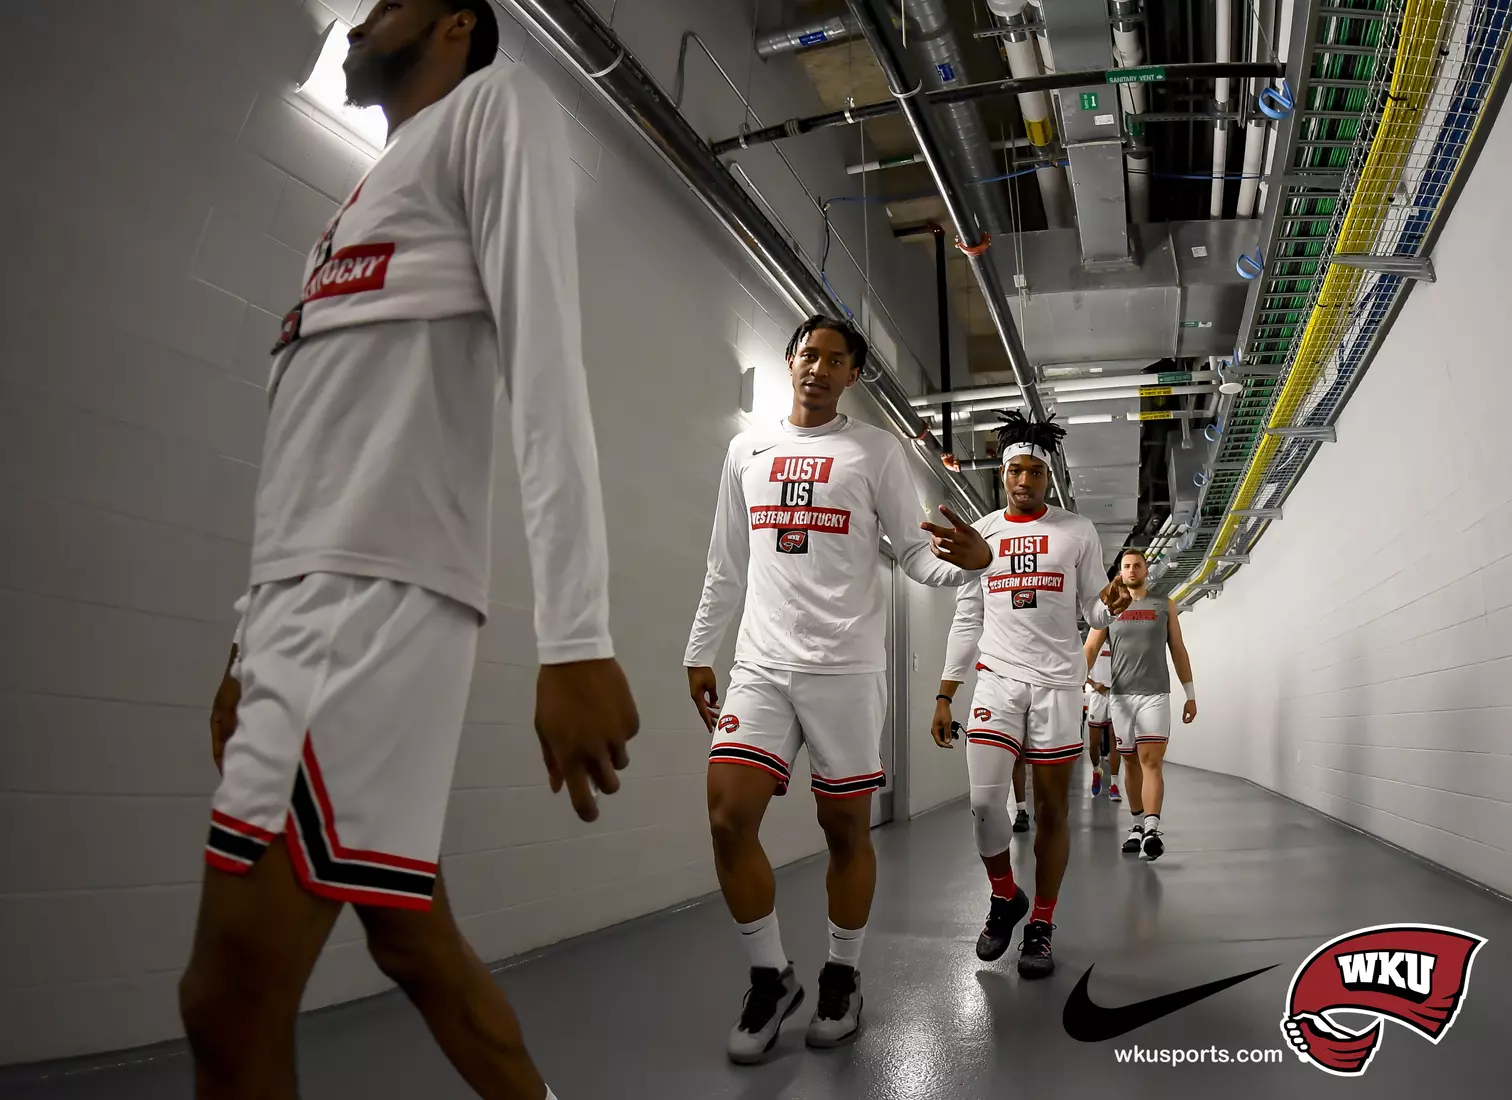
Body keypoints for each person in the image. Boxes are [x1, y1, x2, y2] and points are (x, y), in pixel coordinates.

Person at [182, 5, 640, 1099]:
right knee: (413, 944)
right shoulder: (352, 207)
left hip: (367, 611)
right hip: (301, 614)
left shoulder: (497, 105)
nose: (354, 21)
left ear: (452, 24)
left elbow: (546, 363)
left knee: (226, 994)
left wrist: (575, 635)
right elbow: (313, 442)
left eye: (384, 4)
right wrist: (245, 643)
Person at [685, 315, 992, 1063]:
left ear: (853, 375)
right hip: (760, 666)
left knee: (845, 831)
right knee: (728, 818)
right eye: (808, 355)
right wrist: (700, 649)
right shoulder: (745, 451)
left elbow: (918, 555)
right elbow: (727, 563)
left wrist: (974, 562)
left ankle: (842, 977)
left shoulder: (875, 451)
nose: (818, 368)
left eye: (835, 360)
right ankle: (770, 975)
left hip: (846, 670)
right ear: (790, 362)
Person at [935, 412, 1130, 979]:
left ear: (1048, 475)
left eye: (1034, 472)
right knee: (984, 802)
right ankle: (1005, 896)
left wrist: (1110, 602)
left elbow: (1090, 609)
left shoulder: (1077, 531)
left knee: (1050, 811)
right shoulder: (984, 533)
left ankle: (1041, 922)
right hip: (996, 679)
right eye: (1015, 471)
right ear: (1002, 474)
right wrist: (947, 692)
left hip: (1056, 684)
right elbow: (968, 616)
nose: (1024, 480)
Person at [1083, 549, 1196, 862]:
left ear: (1146, 570)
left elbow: (1178, 649)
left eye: (1137, 566)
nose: (1132, 570)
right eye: (1126, 566)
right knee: (1130, 761)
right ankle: (1135, 825)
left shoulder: (1164, 605)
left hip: (1155, 695)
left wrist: (1190, 693)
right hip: (1121, 697)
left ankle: (1151, 828)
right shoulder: (1110, 607)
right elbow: (1091, 647)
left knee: (1151, 761)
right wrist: (1076, 680)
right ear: (1120, 572)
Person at [1084, 631, 1114, 797]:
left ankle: (1114, 785)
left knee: (1115, 739)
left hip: (1117, 694)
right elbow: (1080, 669)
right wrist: (1093, 683)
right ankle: (1096, 771)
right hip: (1098, 695)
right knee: (1094, 742)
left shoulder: (1119, 640)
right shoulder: (1094, 642)